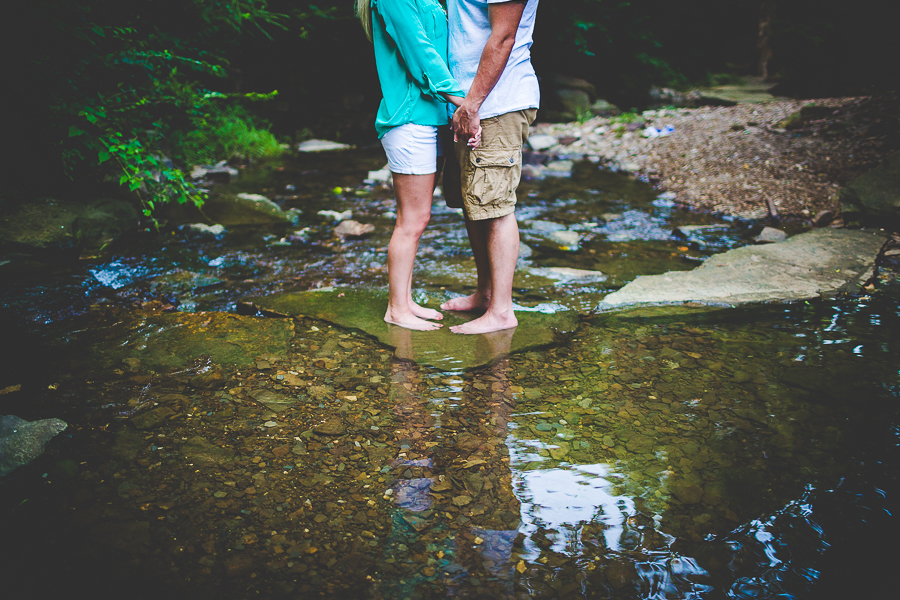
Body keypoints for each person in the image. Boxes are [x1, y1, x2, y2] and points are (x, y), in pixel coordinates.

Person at [357, 0, 479, 331]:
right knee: (412, 220)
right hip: (410, 118)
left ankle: (405, 300)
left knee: (417, 219)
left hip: (432, 117)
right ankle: (396, 310)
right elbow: (419, 52)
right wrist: (464, 103)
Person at [441, 0, 540, 335]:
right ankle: (486, 293)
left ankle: (501, 311)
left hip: (495, 103)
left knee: (496, 206)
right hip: (471, 102)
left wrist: (472, 105)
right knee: (476, 202)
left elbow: (504, 36)